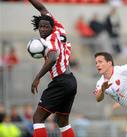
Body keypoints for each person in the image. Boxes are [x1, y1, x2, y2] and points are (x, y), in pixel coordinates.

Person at [28, 0, 77, 137]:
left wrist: (37, 77)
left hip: (61, 81)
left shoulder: (50, 41)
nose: (43, 29)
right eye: (41, 27)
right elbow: (41, 7)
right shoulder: (59, 27)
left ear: (51, 27)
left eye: (46, 27)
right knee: (62, 121)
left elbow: (53, 57)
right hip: (71, 81)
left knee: (37, 118)